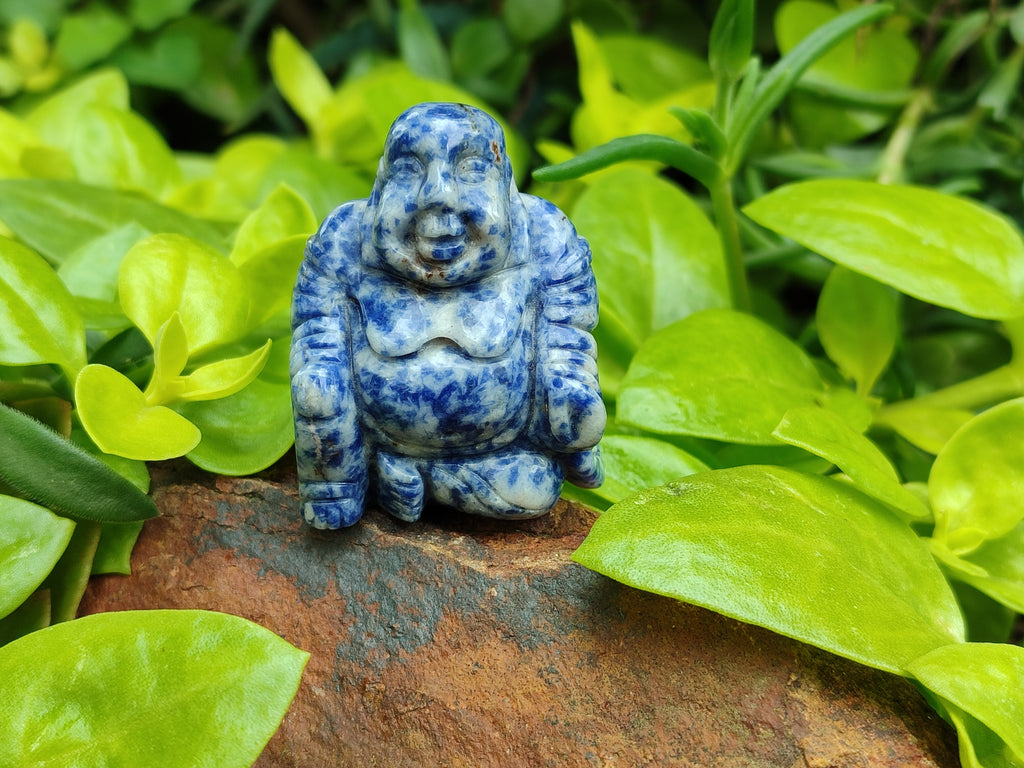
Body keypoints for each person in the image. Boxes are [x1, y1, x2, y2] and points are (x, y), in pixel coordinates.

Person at [290, 102, 604, 529]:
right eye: (408, 169)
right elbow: (319, 350)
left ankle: (422, 479)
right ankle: (374, 472)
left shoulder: (546, 237)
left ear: (506, 186)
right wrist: (333, 484)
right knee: (316, 391)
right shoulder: (343, 242)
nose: (436, 194)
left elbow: (567, 341)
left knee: (534, 487)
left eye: (472, 169)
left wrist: (569, 408)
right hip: (379, 435)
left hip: (500, 449)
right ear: (381, 183)